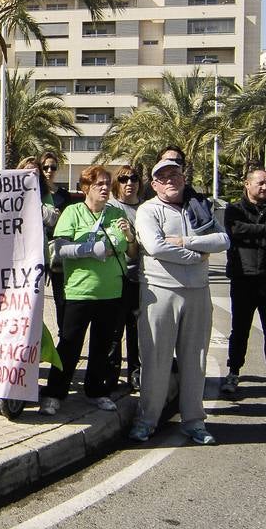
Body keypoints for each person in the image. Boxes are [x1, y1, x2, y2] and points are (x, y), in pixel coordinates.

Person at [128, 157, 229, 445]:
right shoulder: (148, 210)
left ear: (184, 178)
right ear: (155, 184)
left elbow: (222, 241)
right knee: (156, 359)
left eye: (175, 174)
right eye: (163, 176)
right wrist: (198, 256)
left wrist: (186, 243)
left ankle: (194, 421)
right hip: (159, 292)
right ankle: (147, 420)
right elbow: (155, 246)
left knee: (195, 361)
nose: (170, 180)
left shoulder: (199, 209)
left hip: (198, 291)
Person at [40, 166, 130, 415]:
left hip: (110, 291)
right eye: (99, 184)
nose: (104, 188)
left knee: (102, 347)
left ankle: (96, 391)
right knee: (69, 345)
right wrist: (92, 250)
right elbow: (61, 248)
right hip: (80, 291)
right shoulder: (73, 212)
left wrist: (109, 243)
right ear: (85, 188)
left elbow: (121, 243)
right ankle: (55, 393)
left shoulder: (115, 212)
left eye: (107, 183)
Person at [222, 167, 266, 399]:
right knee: (239, 329)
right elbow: (235, 230)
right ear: (246, 184)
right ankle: (233, 372)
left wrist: (257, 232)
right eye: (259, 183)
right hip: (242, 278)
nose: (264, 187)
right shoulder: (234, 210)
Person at [103, 166, 143, 393]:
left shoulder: (147, 208)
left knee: (136, 329)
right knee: (114, 330)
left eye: (134, 178)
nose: (129, 183)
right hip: (118, 277)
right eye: (124, 179)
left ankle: (135, 374)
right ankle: (111, 374)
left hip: (141, 279)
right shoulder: (111, 209)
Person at [38, 151, 74, 326]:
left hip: (58, 251)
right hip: (39, 250)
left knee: (61, 298)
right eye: (45, 167)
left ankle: (62, 336)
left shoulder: (64, 195)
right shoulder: (34, 193)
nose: (49, 170)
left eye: (53, 167)